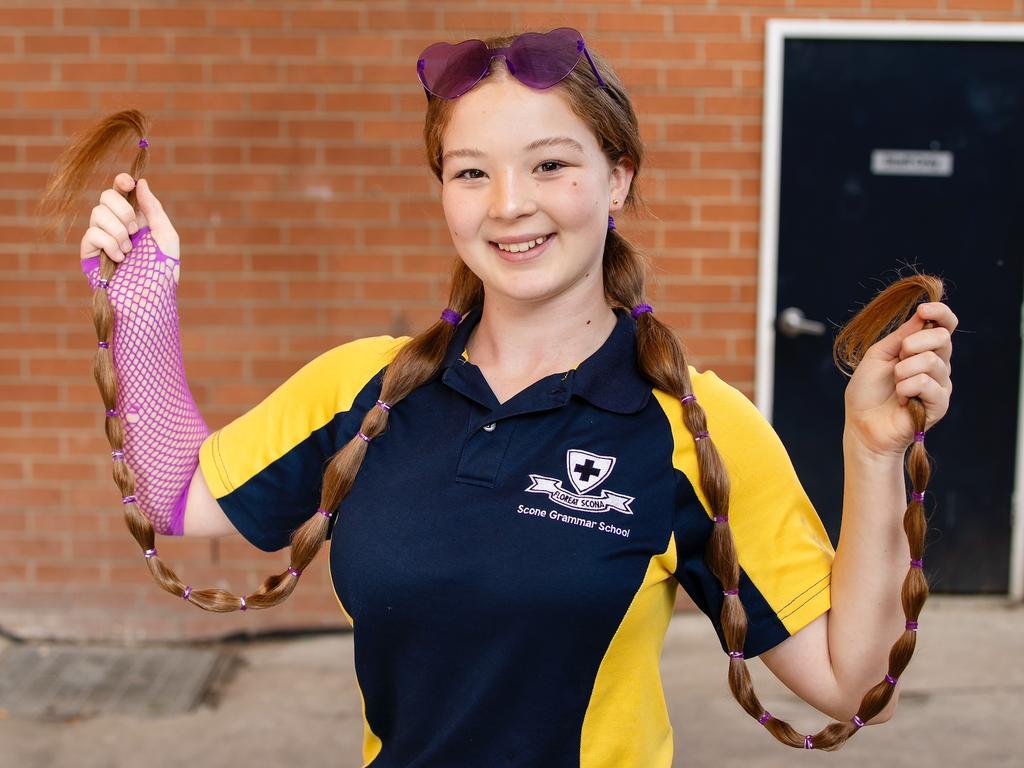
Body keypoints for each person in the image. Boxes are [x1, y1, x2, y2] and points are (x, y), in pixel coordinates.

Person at [63, 28, 956, 766]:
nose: (509, 206)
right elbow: (176, 493)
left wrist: (872, 454)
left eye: (550, 165)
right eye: (471, 172)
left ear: (619, 177)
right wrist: (140, 308)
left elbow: (848, 681)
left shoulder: (691, 426)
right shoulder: (363, 390)